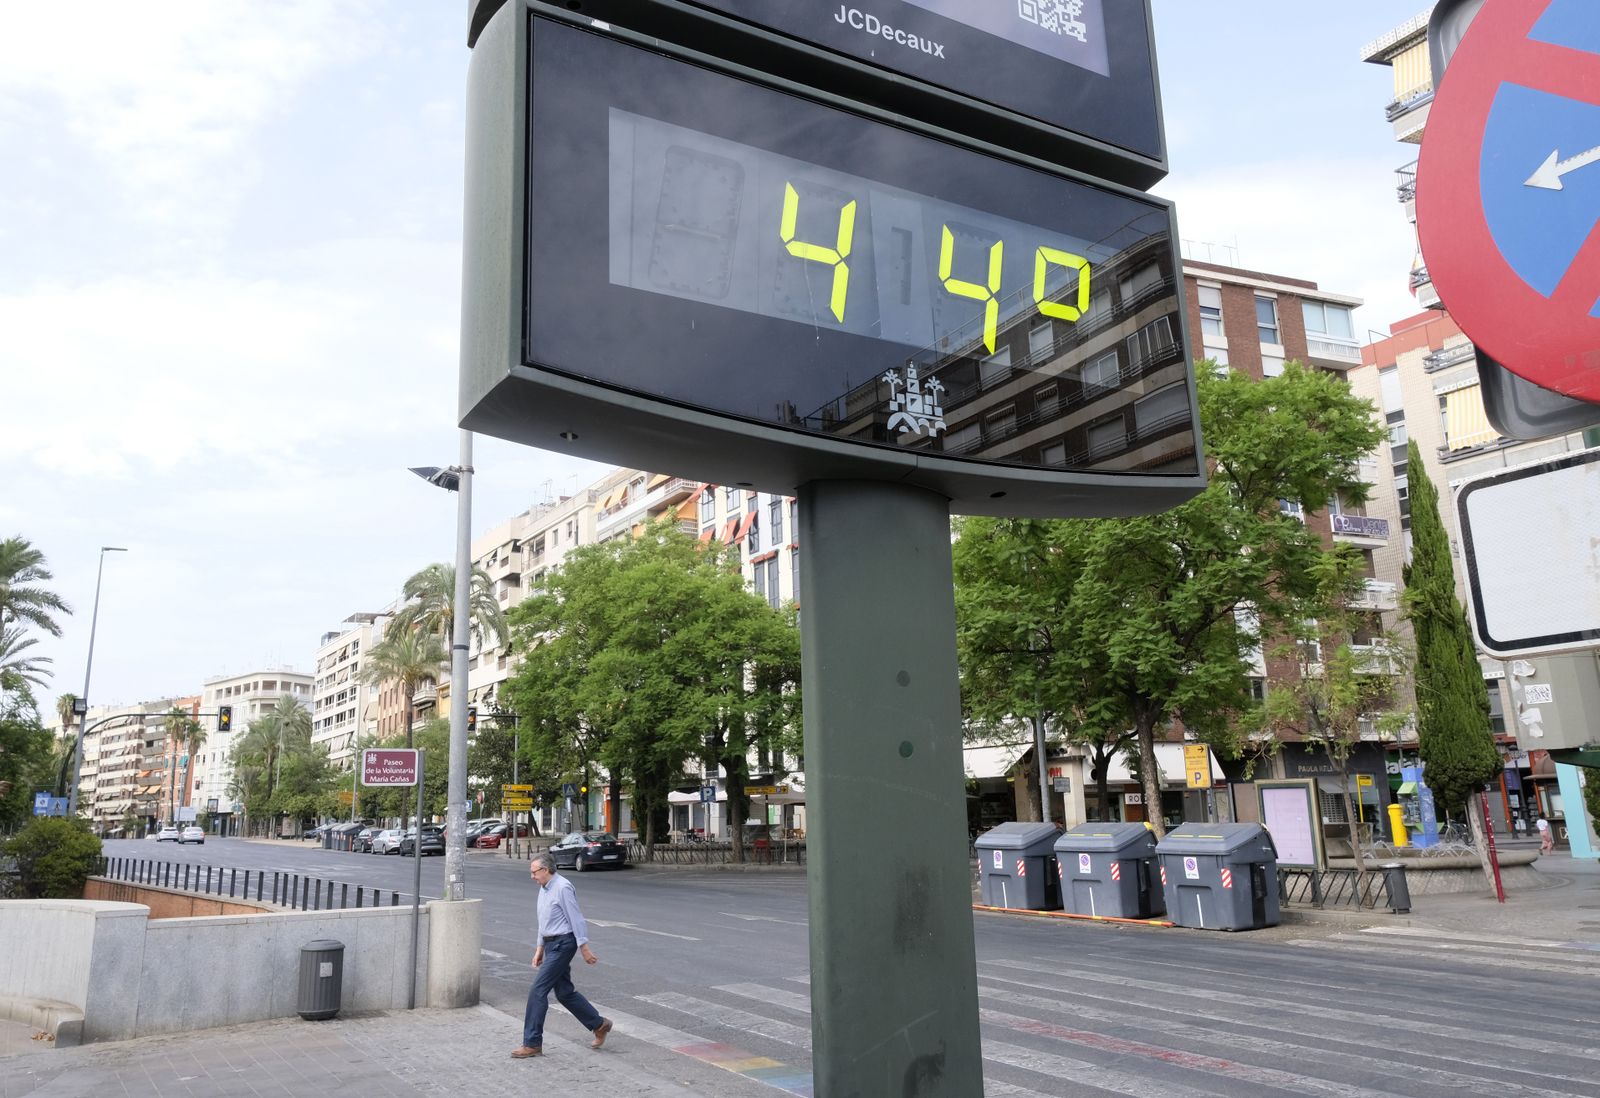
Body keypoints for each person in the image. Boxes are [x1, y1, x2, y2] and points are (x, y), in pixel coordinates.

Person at [512, 853, 613, 1059]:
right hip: (551, 944)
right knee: (564, 992)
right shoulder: (544, 888)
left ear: (546, 870)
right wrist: (540, 948)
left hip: (563, 944)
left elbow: (575, 918)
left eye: (534, 872)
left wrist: (584, 947)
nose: (532, 876)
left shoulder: (562, 887)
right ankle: (599, 1024)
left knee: (537, 990)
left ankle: (532, 1043)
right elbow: (544, 921)